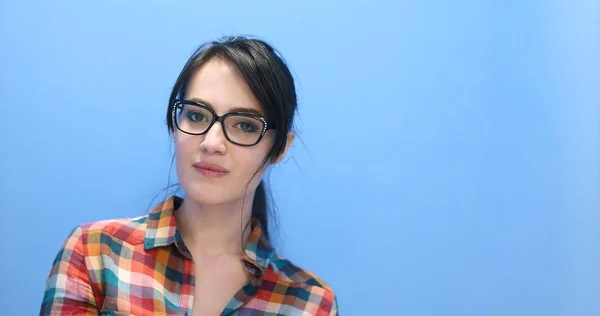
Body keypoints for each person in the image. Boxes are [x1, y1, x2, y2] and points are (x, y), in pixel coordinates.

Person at [40, 36, 338, 316]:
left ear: (280, 147)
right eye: (196, 116)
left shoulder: (308, 303)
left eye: (245, 125)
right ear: (174, 125)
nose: (211, 143)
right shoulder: (95, 253)